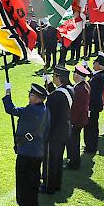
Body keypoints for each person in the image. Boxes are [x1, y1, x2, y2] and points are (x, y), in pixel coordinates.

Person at [3, 82, 49, 206]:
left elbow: (11, 109)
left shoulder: (31, 109)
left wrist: (7, 94)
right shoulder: (45, 110)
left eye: (31, 94)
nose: (29, 96)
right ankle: (32, 204)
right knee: (34, 180)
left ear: (35, 97)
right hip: (37, 150)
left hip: (27, 151)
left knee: (23, 180)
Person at [41, 66, 74, 195]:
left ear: (58, 77)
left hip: (53, 133)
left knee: (49, 161)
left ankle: (48, 186)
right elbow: (59, 96)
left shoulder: (55, 97)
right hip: (64, 130)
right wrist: (48, 83)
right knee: (58, 159)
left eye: (54, 76)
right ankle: (56, 183)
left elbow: (49, 117)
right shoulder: (70, 90)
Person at [66, 65, 91, 170]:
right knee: (74, 141)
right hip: (81, 119)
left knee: (73, 142)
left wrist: (71, 121)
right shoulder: (84, 85)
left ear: (77, 75)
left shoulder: (80, 89)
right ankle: (73, 160)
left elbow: (76, 108)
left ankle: (74, 163)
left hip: (76, 121)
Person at [84, 54, 104, 153]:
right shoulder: (99, 75)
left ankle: (91, 147)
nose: (93, 63)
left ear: (99, 65)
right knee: (90, 126)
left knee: (91, 127)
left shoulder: (100, 77)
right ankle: (89, 145)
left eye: (95, 62)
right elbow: (92, 76)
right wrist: (87, 69)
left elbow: (92, 88)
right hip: (94, 105)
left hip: (93, 106)